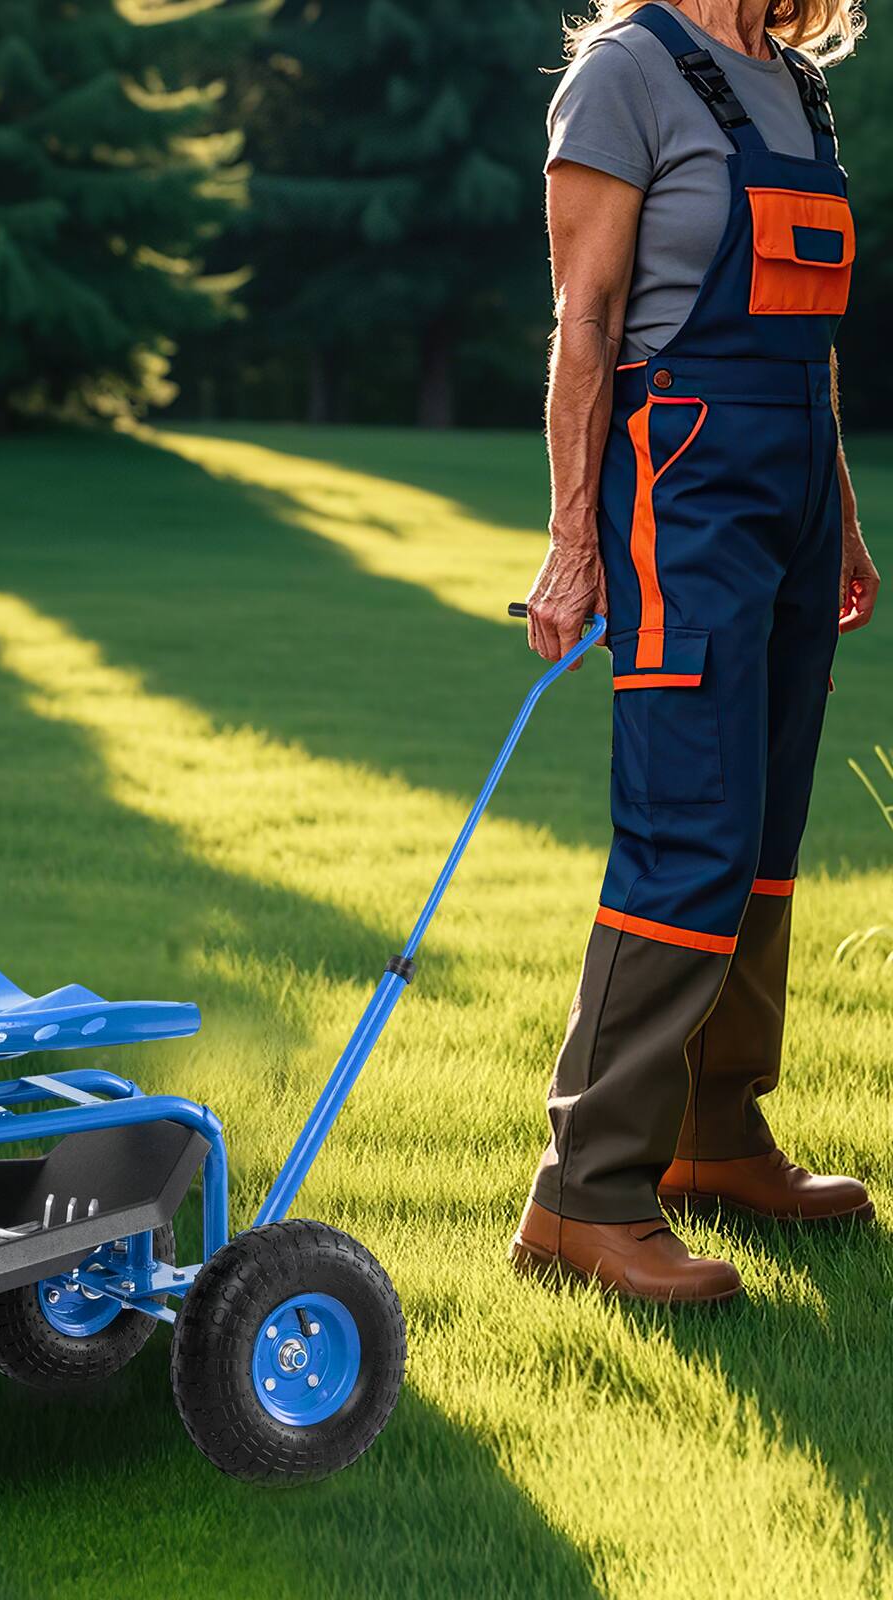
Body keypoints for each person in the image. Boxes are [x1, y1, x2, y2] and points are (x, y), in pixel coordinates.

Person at [512, 0, 879, 1304]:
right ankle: (587, 1195)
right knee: (691, 830)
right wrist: (573, 542)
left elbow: (806, 336)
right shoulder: (626, 76)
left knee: (768, 829)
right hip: (680, 484)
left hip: (788, 493)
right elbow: (588, 318)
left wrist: (835, 510)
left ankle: (715, 1137)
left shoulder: (796, 86)